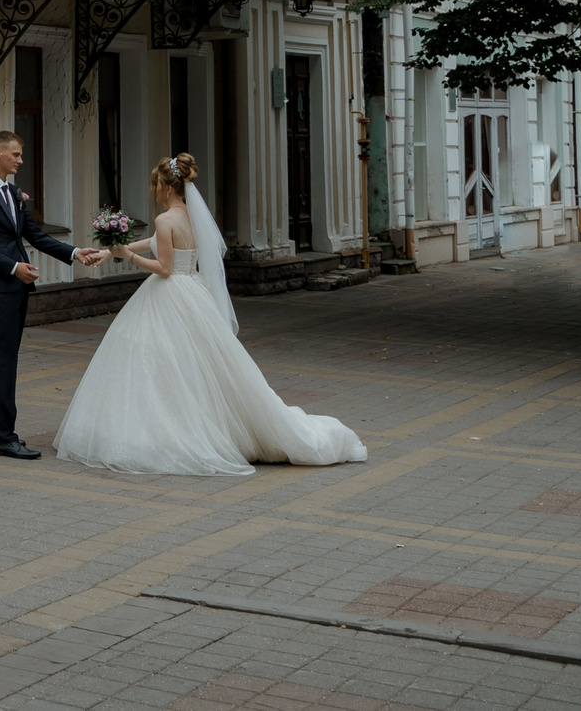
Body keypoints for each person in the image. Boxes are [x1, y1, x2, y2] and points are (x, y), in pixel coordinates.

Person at [52, 153, 367, 477]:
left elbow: (164, 267)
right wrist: (111, 250)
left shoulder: (164, 220)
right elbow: (161, 243)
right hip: (194, 292)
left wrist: (127, 255)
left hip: (171, 292)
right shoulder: (190, 215)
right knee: (203, 366)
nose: (153, 191)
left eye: (155, 185)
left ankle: (174, 432)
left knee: (163, 363)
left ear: (166, 187)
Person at [0, 128, 84, 459]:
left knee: (0, 356)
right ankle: (5, 436)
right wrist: (12, 267)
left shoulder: (13, 193)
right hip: (0, 284)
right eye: (16, 154)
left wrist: (74, 254)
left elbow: (35, 235)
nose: (20, 160)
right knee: (6, 358)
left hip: (17, 284)